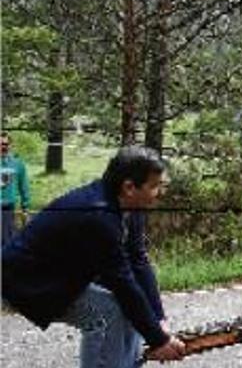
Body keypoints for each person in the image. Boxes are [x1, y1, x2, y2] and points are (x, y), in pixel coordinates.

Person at [1, 146, 186, 366]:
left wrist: (158, 320)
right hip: (25, 280)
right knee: (108, 313)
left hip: (61, 273)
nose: (159, 192)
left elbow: (137, 260)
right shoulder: (98, 216)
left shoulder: (128, 207)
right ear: (129, 187)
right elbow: (123, 282)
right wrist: (158, 340)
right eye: (154, 186)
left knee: (128, 310)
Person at [1, 132, 31, 246]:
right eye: (1, 144)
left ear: (10, 145)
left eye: (5, 144)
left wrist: (25, 207)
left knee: (6, 239)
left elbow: (24, 187)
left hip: (8, 207)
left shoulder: (17, 164)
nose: (3, 146)